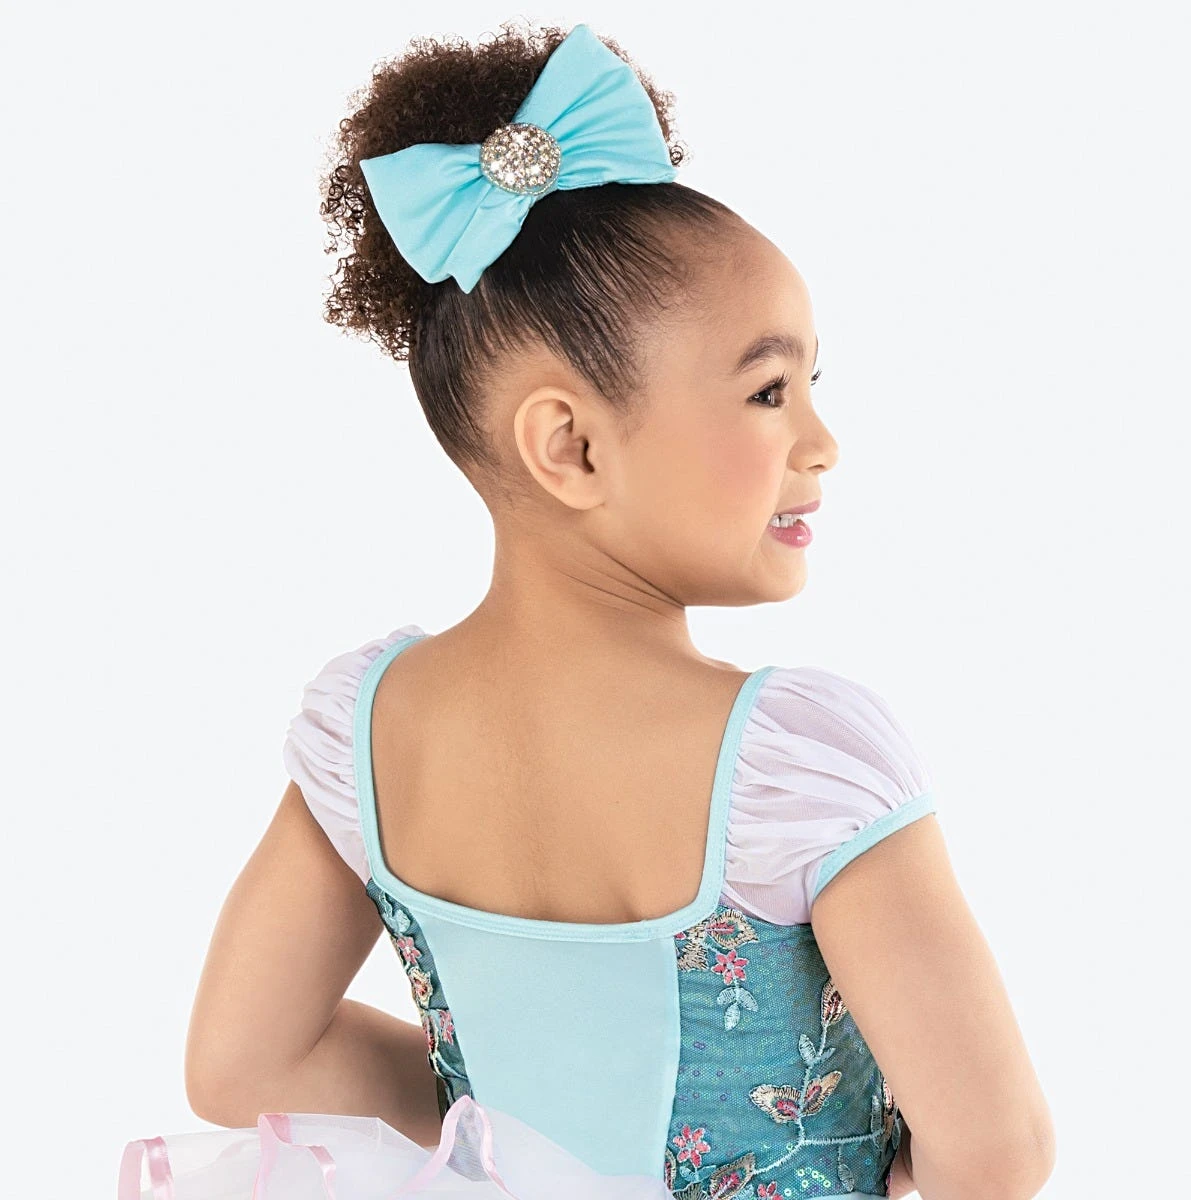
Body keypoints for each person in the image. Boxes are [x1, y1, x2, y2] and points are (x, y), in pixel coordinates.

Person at [118, 22, 1056, 1200]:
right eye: (770, 390)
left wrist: (503, 1136)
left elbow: (245, 1062)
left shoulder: (365, 734)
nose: (822, 442)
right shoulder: (799, 763)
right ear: (570, 446)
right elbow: (997, 1153)